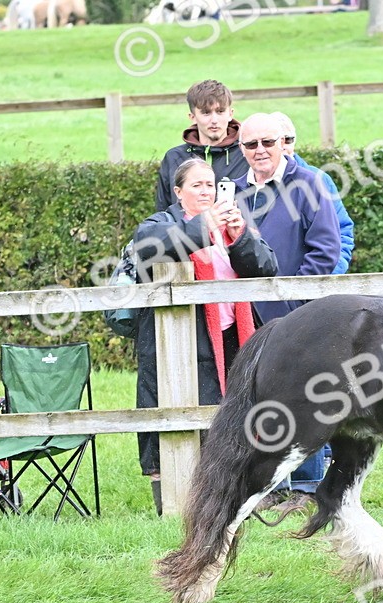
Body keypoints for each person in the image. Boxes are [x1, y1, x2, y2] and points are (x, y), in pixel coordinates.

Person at [134, 158, 277, 515]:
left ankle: (233, 501)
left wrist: (240, 235)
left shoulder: (230, 223)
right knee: (185, 425)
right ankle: (178, 505)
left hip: (234, 339)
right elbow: (148, 248)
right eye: (197, 185)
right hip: (183, 343)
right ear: (178, 192)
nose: (206, 192)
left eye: (210, 185)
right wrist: (203, 226)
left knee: (234, 421)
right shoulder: (163, 223)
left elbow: (266, 267)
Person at [233, 112, 339, 509]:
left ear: (283, 143)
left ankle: (307, 489)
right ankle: (267, 484)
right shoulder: (233, 192)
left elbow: (326, 251)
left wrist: (297, 309)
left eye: (267, 142)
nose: (259, 151)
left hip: (298, 318)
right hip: (246, 315)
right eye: (250, 144)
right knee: (259, 399)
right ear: (241, 149)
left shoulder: (311, 184)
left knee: (306, 398)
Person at [272, 112, 355, 275]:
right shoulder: (252, 182)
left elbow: (343, 232)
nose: (283, 146)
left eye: (288, 140)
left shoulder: (320, 180)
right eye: (275, 141)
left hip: (315, 284)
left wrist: (330, 274)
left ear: (295, 141)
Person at [155, 80, 249, 213]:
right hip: (185, 233)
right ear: (192, 117)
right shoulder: (173, 157)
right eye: (206, 113)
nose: (214, 120)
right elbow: (162, 213)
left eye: (220, 111)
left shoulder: (246, 153)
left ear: (230, 114)